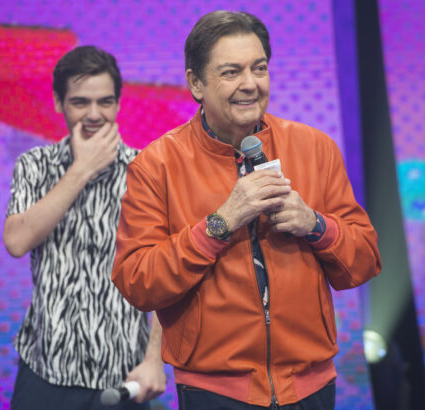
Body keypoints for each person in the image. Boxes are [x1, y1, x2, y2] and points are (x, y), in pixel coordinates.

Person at [112, 11, 382, 410]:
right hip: (214, 391)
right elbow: (137, 280)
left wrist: (316, 225)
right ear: (196, 83)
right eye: (231, 72)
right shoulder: (157, 165)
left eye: (259, 68)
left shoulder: (315, 148)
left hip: (310, 386)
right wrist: (220, 224)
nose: (250, 84)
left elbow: (366, 260)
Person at [4, 45, 166, 410]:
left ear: (118, 104)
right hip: (46, 370)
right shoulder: (34, 165)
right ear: (59, 103)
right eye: (80, 102)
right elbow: (16, 241)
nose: (94, 114)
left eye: (105, 102)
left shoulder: (147, 170)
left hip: (125, 374)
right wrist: (81, 170)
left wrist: (154, 358)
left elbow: (164, 274)